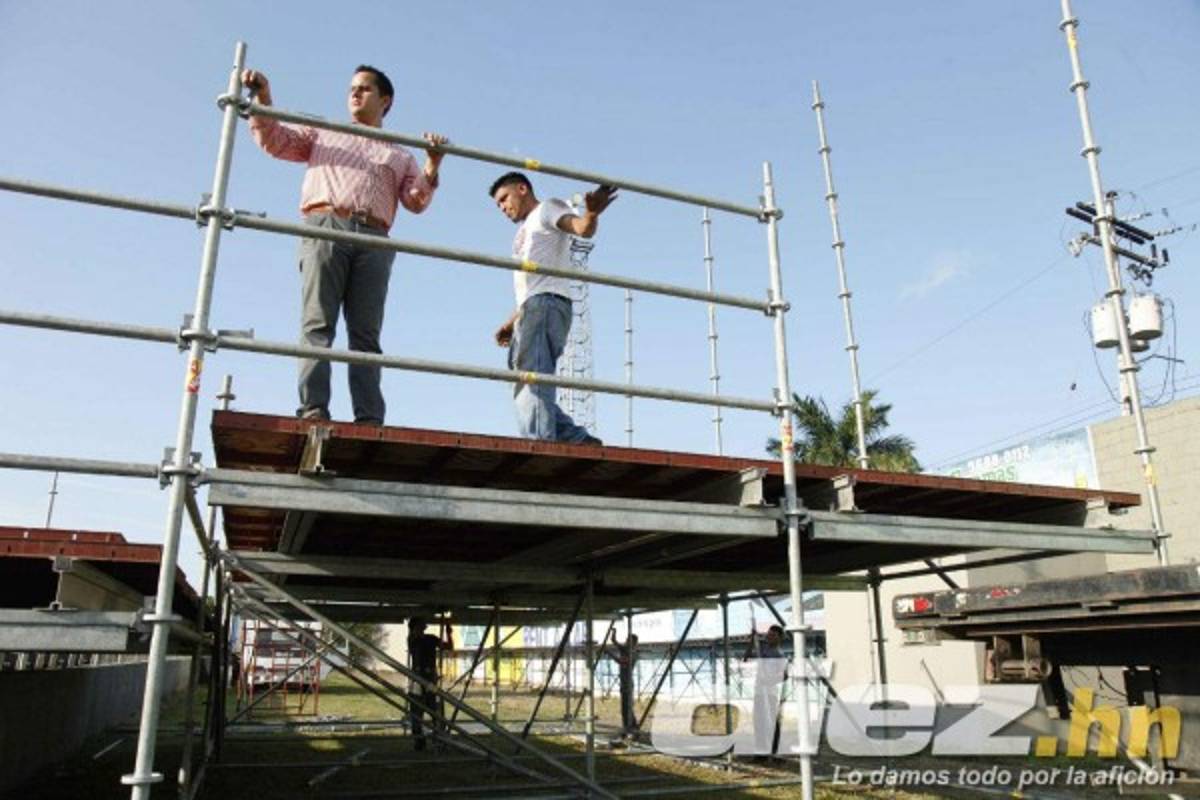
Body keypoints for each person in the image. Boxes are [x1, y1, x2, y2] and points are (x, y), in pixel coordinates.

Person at [241, 64, 449, 425]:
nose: (355, 93)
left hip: (373, 236)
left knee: (366, 334)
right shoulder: (326, 133)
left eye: (365, 89)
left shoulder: (400, 154)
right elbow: (275, 140)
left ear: (386, 101)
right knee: (318, 324)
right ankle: (314, 408)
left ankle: (368, 418)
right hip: (327, 225)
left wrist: (432, 164)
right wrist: (263, 97)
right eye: (352, 88)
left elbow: (416, 201)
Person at [489, 172, 616, 443]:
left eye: (504, 199)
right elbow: (533, 283)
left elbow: (581, 228)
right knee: (525, 379)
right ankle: (575, 439)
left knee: (532, 379)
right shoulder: (523, 232)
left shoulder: (547, 208)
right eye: (497, 205)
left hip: (546, 305)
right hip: (532, 306)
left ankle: (539, 445)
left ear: (522, 189)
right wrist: (512, 321)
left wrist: (592, 214)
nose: (502, 208)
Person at [406, 616, 452, 751]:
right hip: (417, 680)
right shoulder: (413, 640)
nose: (423, 627)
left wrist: (449, 633)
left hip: (431, 679)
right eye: (420, 625)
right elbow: (414, 640)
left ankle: (439, 740)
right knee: (416, 713)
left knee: (436, 711)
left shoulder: (430, 638)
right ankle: (420, 742)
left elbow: (448, 646)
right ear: (414, 628)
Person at [742, 624, 787, 758]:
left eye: (773, 635)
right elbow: (746, 658)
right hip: (759, 692)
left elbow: (785, 675)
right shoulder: (762, 648)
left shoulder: (779, 655)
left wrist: (769, 680)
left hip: (771, 693)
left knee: (772, 723)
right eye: (768, 634)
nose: (769, 637)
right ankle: (760, 754)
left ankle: (776, 752)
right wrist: (752, 640)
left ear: (779, 638)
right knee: (759, 723)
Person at [605, 629, 639, 738]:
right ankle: (627, 729)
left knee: (628, 708)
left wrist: (610, 654)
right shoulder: (624, 649)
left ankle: (633, 729)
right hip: (623, 683)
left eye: (628, 640)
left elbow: (623, 662)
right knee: (624, 709)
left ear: (633, 643)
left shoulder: (633, 654)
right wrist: (613, 632)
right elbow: (614, 641)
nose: (625, 641)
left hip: (628, 685)